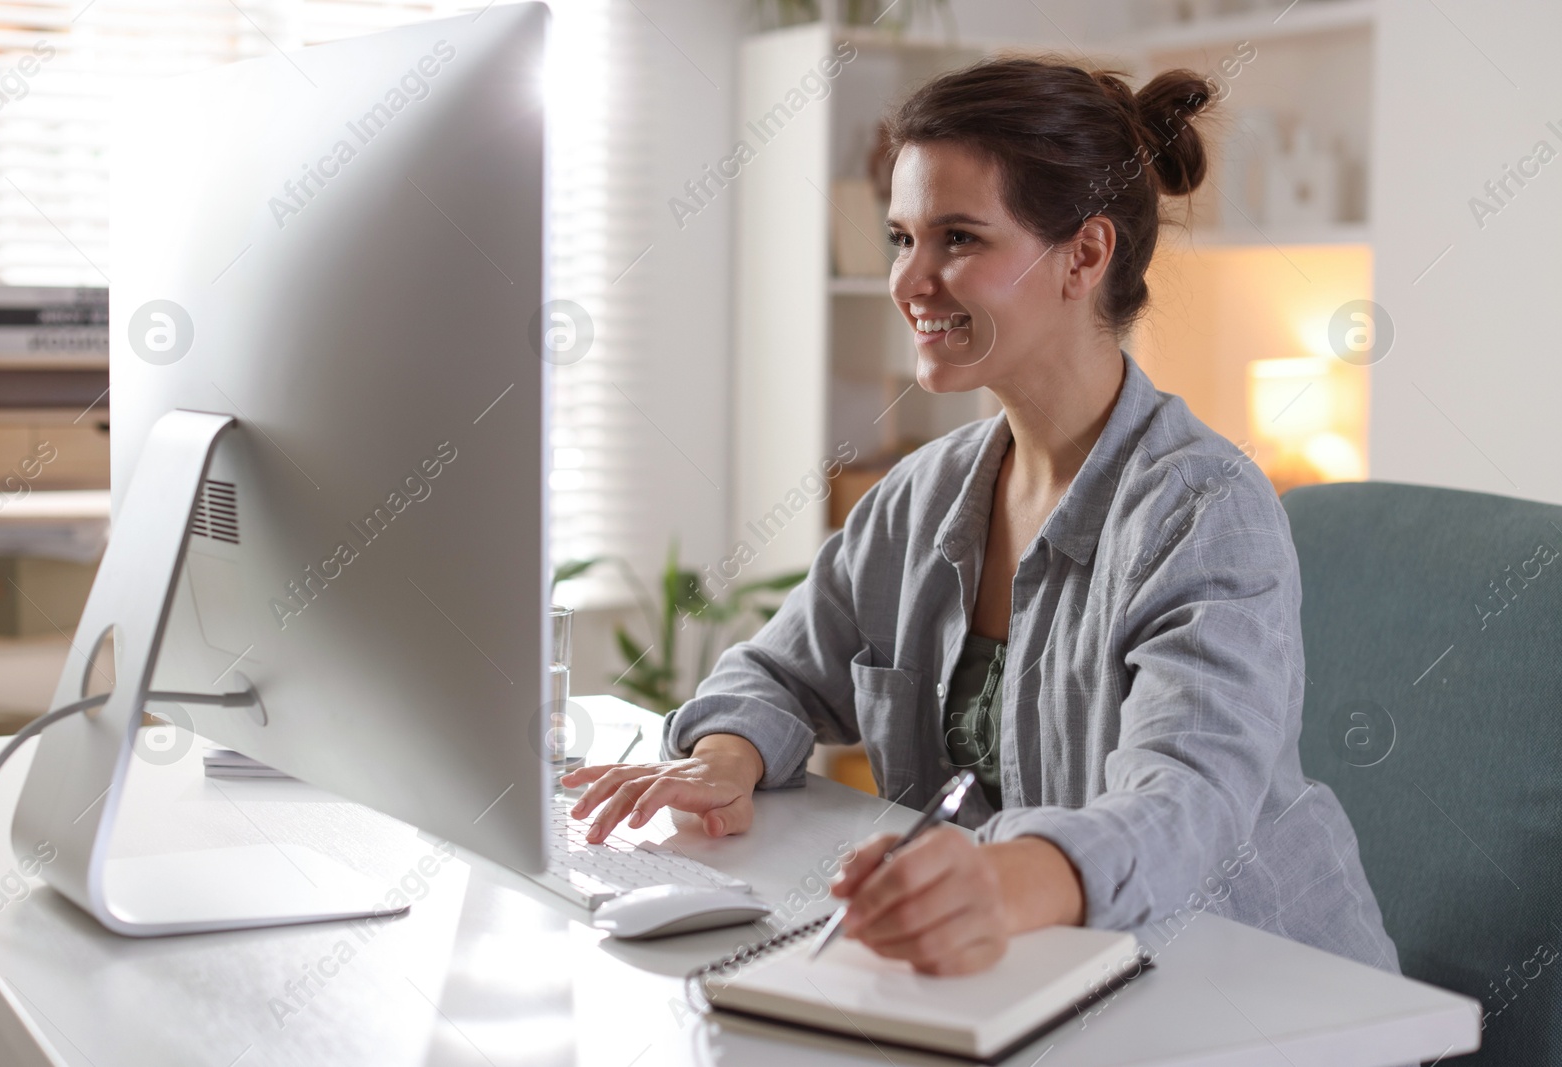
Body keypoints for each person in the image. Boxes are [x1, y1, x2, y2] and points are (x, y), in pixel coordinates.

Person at [564, 55, 1399, 978]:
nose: (909, 280)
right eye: (900, 238)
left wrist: (999, 882)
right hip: (1042, 977)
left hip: (1261, 990)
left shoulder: (1203, 511)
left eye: (958, 238)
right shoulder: (920, 498)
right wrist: (725, 755)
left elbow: (1186, 800)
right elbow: (777, 671)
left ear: (1085, 255)